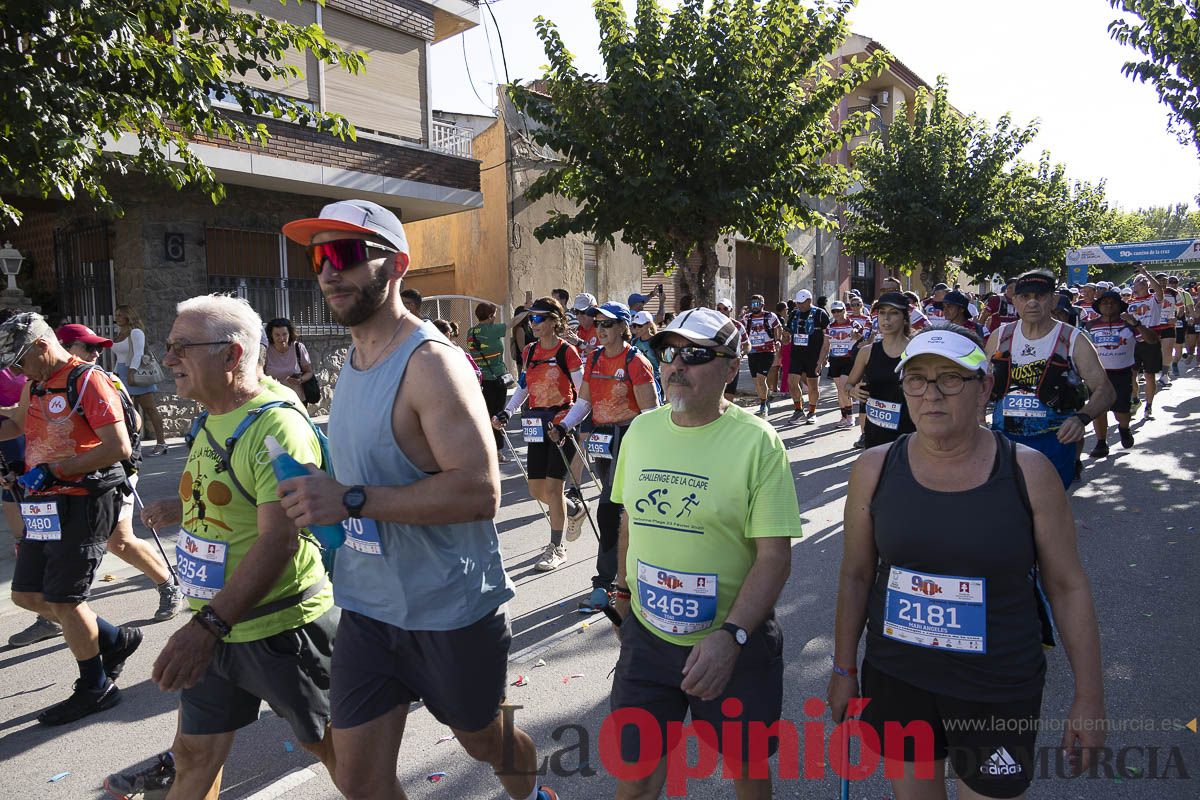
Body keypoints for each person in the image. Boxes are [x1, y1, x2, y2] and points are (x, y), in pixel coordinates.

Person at [276, 199, 556, 800]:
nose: (329, 271)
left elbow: (479, 491)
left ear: (397, 264)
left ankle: (533, 794)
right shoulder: (353, 360)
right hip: (368, 609)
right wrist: (317, 492)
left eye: (345, 254)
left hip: (449, 610)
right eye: (318, 258)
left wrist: (350, 499)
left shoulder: (430, 363)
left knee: (486, 741)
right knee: (359, 779)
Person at [830, 324, 1105, 800]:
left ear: (984, 387)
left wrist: (1089, 696)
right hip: (898, 677)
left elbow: (1067, 587)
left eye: (951, 378)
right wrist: (843, 670)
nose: (931, 394)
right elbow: (856, 575)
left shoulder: (1028, 472)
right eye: (917, 379)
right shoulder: (874, 467)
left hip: (996, 688)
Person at [126, 295, 339, 796]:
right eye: (169, 345)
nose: (168, 359)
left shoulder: (276, 427)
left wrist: (206, 628)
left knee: (339, 754)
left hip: (280, 628)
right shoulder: (211, 415)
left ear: (231, 354)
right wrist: (184, 508)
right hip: (217, 625)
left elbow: (279, 541)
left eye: (182, 347)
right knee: (193, 756)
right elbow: (232, 496)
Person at [610, 307, 801, 799]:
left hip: (733, 642)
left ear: (732, 368)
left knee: (746, 770)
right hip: (648, 640)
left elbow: (774, 557)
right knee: (636, 775)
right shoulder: (641, 430)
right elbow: (630, 518)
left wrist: (731, 636)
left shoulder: (759, 443)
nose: (677, 365)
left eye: (695, 355)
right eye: (668, 352)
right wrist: (620, 591)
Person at [0, 312, 140, 725]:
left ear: (43, 346)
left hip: (84, 500)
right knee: (27, 595)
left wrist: (56, 470)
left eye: (20, 362)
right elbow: (17, 423)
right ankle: (113, 640)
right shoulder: (36, 382)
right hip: (43, 505)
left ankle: (96, 687)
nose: (17, 372)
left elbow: (118, 447)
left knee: (65, 599)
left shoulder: (88, 380)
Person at [57, 324, 183, 619]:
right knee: (53, 543)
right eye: (88, 347)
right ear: (63, 348)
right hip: (62, 478)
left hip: (109, 472)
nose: (96, 353)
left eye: (98, 348)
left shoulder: (104, 379)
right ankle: (50, 612)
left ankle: (168, 584)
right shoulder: (41, 384)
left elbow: (134, 422)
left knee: (119, 542)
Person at [550, 301, 658, 610]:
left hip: (629, 436)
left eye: (608, 323)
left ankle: (606, 582)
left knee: (610, 509)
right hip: (602, 437)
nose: (601, 329)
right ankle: (624, 577)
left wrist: (644, 449)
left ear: (624, 327)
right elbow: (584, 402)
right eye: (598, 323)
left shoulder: (636, 361)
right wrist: (565, 425)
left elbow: (651, 412)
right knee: (617, 509)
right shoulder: (595, 358)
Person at [986, 270, 1115, 489]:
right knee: (1007, 503)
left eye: (1040, 296)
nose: (1032, 302)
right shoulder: (1000, 336)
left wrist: (1081, 418)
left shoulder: (1073, 339)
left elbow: (1105, 390)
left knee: (1044, 505)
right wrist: (978, 420)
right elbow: (980, 384)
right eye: (1025, 296)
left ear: (1054, 299)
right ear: (1014, 301)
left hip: (1054, 442)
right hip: (1004, 440)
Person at [495, 298, 587, 569]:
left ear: (554, 321)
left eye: (537, 319)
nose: (532, 324)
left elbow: (584, 397)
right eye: (530, 319)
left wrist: (565, 425)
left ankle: (556, 547)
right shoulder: (530, 351)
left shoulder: (567, 352)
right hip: (536, 425)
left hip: (561, 426)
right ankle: (574, 508)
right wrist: (507, 412)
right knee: (536, 489)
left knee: (554, 488)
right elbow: (524, 387)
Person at [1084, 290, 1151, 457]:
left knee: (1121, 412)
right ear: (1099, 306)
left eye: (1112, 303)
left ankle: (1124, 429)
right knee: (1098, 410)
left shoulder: (1129, 325)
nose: (1109, 306)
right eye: (1104, 303)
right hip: (1097, 375)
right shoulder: (1090, 326)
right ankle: (1101, 443)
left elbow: (1152, 340)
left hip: (1122, 374)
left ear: (1119, 306)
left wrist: (1137, 324)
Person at [846, 293, 914, 448]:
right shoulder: (867, 352)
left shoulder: (916, 351)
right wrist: (853, 391)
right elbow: (848, 385)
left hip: (909, 435)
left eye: (893, 313)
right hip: (875, 434)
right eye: (882, 312)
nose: (886, 318)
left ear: (905, 318)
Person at [113, 304, 168, 456]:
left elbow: (138, 354)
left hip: (136, 372)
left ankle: (161, 443)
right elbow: (120, 356)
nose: (117, 318)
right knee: (125, 410)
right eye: (116, 315)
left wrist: (131, 372)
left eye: (120, 315)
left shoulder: (136, 332)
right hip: (122, 373)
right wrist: (115, 372)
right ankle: (130, 444)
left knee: (149, 408)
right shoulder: (120, 333)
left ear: (128, 316)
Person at [468, 301, 514, 463]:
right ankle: (498, 452)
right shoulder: (492, 329)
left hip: (481, 379)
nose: (495, 317)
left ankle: (485, 450)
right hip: (496, 378)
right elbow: (512, 323)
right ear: (489, 316)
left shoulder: (471, 331)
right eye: (493, 315)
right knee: (498, 415)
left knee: (485, 414)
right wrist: (527, 312)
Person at [1124, 267, 1164, 419]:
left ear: (1147, 284)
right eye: (1137, 281)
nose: (1139, 283)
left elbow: (1159, 290)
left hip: (1150, 341)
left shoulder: (1153, 299)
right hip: (1134, 342)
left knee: (1149, 375)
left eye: (1142, 281)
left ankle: (1149, 406)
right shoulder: (1129, 303)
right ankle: (1135, 399)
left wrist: (1145, 273)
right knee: (1131, 374)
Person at [786, 289, 830, 424]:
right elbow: (787, 335)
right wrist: (784, 337)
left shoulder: (821, 314)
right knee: (791, 382)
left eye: (802, 303)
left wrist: (822, 359)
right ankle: (798, 410)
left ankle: (812, 412)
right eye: (798, 303)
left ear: (809, 301)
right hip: (797, 354)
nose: (800, 305)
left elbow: (827, 339)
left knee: (813, 385)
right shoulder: (794, 314)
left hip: (813, 355)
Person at [739, 294, 783, 418]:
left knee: (760, 378)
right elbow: (738, 328)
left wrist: (778, 340)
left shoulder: (770, 316)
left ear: (762, 304)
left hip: (767, 351)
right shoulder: (747, 318)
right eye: (753, 304)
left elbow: (778, 327)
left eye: (757, 304)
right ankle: (765, 398)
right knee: (756, 382)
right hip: (752, 352)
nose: (754, 306)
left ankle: (763, 404)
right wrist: (741, 315)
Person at [825, 300, 864, 429]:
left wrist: (856, 334)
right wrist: (821, 361)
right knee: (839, 390)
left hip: (848, 359)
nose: (836, 313)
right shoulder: (830, 326)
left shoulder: (853, 323)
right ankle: (844, 417)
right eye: (833, 311)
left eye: (839, 311)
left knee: (843, 387)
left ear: (844, 311)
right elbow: (826, 345)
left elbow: (860, 335)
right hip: (834, 359)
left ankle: (850, 417)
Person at [263, 317, 316, 406]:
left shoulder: (298, 348)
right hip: (273, 400)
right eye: (277, 335)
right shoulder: (266, 350)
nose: (281, 338)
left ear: (290, 334)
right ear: (271, 335)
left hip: (297, 400)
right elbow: (259, 375)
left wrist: (300, 380)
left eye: (284, 334)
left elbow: (309, 372)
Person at [715, 298, 750, 402]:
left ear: (730, 309)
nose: (721, 311)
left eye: (725, 309)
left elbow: (747, 345)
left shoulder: (738, 326)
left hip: (732, 364)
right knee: (716, 396)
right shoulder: (711, 325)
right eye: (719, 309)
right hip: (715, 364)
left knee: (729, 396)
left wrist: (742, 354)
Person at [630, 310, 663, 401]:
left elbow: (663, 362)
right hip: (637, 380)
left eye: (640, 325)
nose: (637, 328)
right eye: (635, 325)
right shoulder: (634, 342)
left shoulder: (656, 341)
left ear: (649, 324)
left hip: (655, 381)